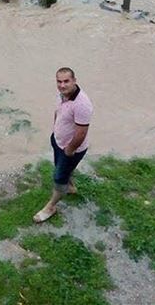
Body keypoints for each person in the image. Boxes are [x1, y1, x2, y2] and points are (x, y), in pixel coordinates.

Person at [33, 67, 93, 223]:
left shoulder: (82, 104)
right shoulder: (61, 95)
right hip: (58, 141)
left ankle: (51, 207)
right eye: (59, 81)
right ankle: (70, 186)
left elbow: (81, 133)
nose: (62, 85)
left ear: (74, 81)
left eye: (66, 81)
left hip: (71, 149)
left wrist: (69, 150)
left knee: (59, 177)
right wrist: (55, 132)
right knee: (62, 168)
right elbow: (58, 113)